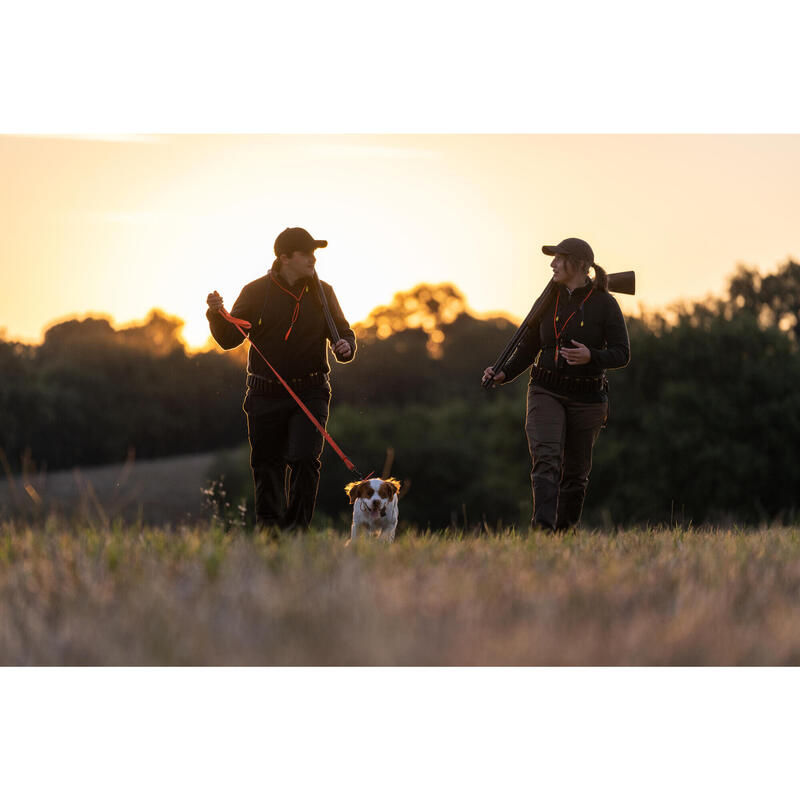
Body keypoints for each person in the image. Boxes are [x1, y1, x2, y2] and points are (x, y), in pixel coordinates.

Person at [206, 227, 356, 531]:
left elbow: (344, 332)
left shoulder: (324, 292)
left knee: (304, 460)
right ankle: (270, 534)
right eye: (307, 253)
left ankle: (297, 532)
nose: (314, 259)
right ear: (285, 257)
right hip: (264, 394)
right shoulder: (255, 291)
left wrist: (346, 346)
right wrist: (215, 313)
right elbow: (228, 339)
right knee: (267, 465)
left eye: (315, 253)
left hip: (312, 391)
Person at [482, 237, 630, 531]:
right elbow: (529, 343)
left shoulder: (605, 303)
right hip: (545, 389)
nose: (553, 264)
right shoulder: (549, 298)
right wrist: (505, 372)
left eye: (560, 259)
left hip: (587, 397)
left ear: (580, 266)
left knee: (576, 473)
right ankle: (543, 530)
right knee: (546, 458)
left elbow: (622, 353)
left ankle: (564, 533)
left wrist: (592, 356)